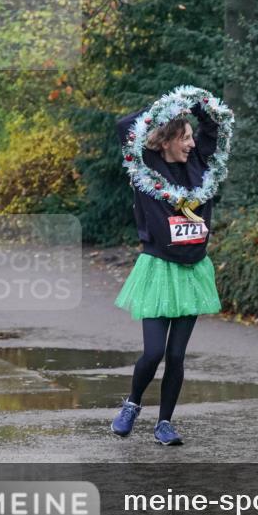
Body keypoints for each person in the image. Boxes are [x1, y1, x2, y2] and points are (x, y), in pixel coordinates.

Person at [110, 98, 224, 446]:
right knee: (154, 351)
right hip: (159, 268)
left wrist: (196, 102)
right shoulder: (146, 166)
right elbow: (122, 127)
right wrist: (166, 105)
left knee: (176, 355)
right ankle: (132, 403)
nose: (191, 143)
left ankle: (165, 422)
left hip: (192, 270)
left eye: (192, 137)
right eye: (184, 137)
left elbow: (213, 130)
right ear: (166, 140)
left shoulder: (200, 164)